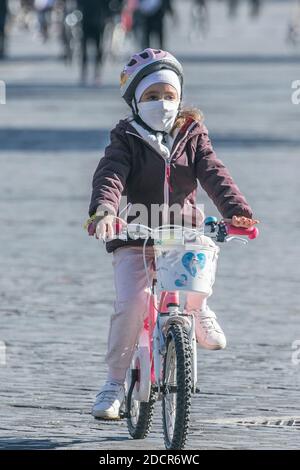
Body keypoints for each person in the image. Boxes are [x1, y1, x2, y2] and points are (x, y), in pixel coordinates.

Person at [86, 48, 259, 419]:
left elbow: (214, 171)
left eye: (169, 95)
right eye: (151, 96)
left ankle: (198, 311)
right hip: (135, 234)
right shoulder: (126, 137)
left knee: (202, 256)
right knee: (132, 304)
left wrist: (236, 211)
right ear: (135, 99)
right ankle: (114, 383)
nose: (162, 104)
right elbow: (111, 175)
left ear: (180, 97)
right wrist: (105, 212)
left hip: (181, 233)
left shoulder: (191, 133)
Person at [77, 0, 110, 85]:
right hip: (86, 21)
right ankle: (84, 72)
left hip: (98, 22)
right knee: (84, 48)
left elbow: (107, 4)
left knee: (98, 48)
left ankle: (97, 73)